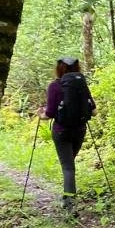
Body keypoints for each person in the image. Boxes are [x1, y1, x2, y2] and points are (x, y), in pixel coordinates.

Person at [40, 56, 94, 214]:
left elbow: (49, 114)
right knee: (70, 165)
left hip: (61, 131)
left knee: (68, 167)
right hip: (79, 130)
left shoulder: (54, 86)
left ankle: (70, 204)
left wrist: (40, 114)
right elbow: (94, 110)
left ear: (59, 69)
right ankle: (67, 197)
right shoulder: (82, 85)